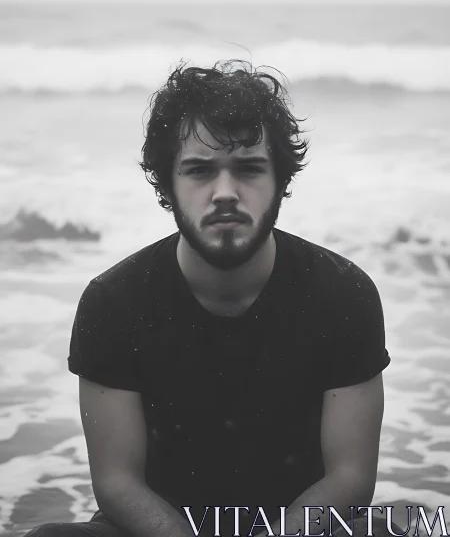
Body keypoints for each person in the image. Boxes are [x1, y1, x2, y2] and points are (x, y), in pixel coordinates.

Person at [26, 61, 393, 537]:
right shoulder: (113, 302)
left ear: (280, 179)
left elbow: (350, 478)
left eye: (249, 168)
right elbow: (117, 483)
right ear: (167, 183)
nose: (225, 193)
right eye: (199, 170)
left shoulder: (345, 293)